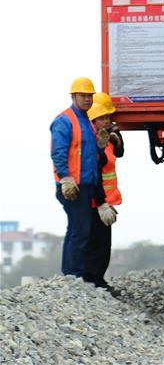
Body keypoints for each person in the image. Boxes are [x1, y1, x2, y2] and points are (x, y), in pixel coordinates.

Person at [51, 78, 100, 278]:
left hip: (87, 183)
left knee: (78, 229)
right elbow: (58, 152)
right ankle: (73, 274)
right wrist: (66, 178)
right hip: (73, 185)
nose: (87, 99)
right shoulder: (64, 120)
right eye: (83, 95)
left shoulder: (87, 121)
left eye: (90, 96)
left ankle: (73, 274)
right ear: (73, 96)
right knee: (79, 231)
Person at [84, 93, 123, 292]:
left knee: (103, 244)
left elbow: (119, 152)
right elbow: (95, 175)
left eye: (108, 117)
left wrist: (116, 135)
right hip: (96, 202)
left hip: (104, 200)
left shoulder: (105, 140)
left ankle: (97, 279)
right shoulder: (93, 143)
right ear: (93, 120)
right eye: (102, 118)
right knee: (96, 243)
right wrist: (101, 203)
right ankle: (92, 281)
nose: (106, 121)